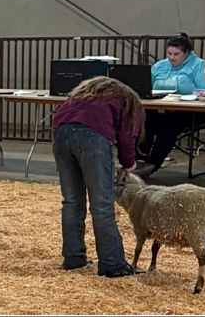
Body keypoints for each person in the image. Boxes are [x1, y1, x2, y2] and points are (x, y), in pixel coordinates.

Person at [51, 76, 145, 277]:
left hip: (60, 133)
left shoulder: (81, 96)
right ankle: (113, 264)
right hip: (92, 136)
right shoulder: (127, 101)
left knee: (71, 202)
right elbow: (127, 134)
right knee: (102, 205)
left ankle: (73, 258)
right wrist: (129, 162)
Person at [136, 33, 205, 176]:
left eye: (176, 54)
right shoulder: (160, 66)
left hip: (192, 111)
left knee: (170, 124)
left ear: (187, 53)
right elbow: (145, 87)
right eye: (169, 53)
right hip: (161, 108)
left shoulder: (199, 65)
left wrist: (193, 95)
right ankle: (138, 161)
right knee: (144, 119)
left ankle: (152, 164)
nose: (172, 57)